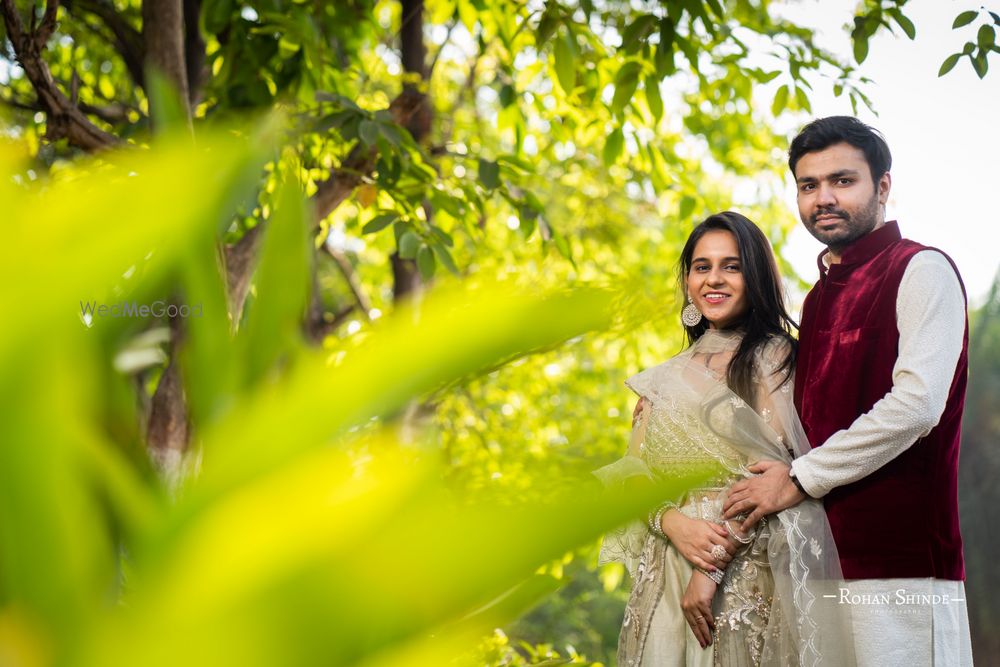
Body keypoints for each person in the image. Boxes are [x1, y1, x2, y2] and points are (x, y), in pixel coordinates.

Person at [722, 116, 973, 665]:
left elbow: (917, 406)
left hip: (900, 569)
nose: (823, 198)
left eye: (842, 180)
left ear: (882, 186)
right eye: (808, 185)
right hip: (817, 562)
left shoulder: (920, 269)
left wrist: (798, 478)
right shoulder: (817, 299)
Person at [596, 211, 852, 666]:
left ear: (754, 277)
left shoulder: (773, 358)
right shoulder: (663, 378)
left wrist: (709, 564)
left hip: (734, 579)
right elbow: (630, 474)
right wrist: (673, 524)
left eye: (731, 266)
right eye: (702, 266)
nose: (714, 279)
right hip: (665, 576)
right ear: (688, 281)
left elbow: (774, 480)